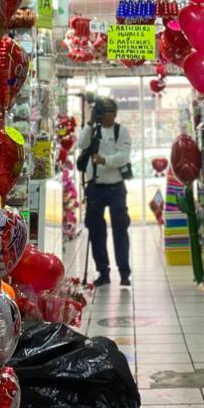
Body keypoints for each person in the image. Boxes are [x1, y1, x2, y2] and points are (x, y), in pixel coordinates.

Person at [77, 98, 132, 287]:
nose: (101, 114)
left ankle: (124, 272)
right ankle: (103, 272)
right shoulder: (93, 130)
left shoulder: (121, 131)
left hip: (116, 187)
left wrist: (104, 160)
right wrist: (90, 123)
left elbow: (123, 156)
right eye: (99, 111)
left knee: (120, 228)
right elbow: (81, 144)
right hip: (95, 187)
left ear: (114, 113)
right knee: (95, 230)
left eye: (105, 111)